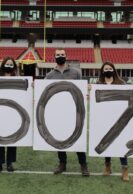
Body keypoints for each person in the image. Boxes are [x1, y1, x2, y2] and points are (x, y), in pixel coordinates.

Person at [45, 48, 89, 177]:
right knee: (60, 137)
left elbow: (81, 90)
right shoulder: (49, 75)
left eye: (62, 55)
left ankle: (83, 164)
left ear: (66, 56)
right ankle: (62, 163)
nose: (60, 56)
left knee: (77, 137)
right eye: (58, 55)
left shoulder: (76, 72)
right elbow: (45, 92)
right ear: (54, 57)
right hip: (58, 111)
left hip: (74, 110)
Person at [97, 61, 129, 181]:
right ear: (102, 71)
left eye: (110, 68)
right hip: (105, 119)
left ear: (114, 70)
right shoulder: (99, 83)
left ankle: (125, 169)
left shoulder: (121, 83)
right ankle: (107, 166)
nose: (108, 70)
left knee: (121, 144)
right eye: (106, 68)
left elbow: (129, 96)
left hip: (119, 118)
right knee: (106, 143)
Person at [0, 56, 18, 173]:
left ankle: (10, 163)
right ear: (3, 65)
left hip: (13, 114)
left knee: (12, 139)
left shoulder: (18, 80)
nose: (9, 66)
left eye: (11, 64)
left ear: (14, 66)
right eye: (7, 64)